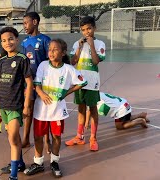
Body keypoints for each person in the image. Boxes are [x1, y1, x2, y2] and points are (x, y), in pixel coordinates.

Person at [24, 39, 87, 178]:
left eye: (55, 49)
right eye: (50, 49)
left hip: (57, 111)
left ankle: (54, 162)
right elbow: (37, 83)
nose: (51, 52)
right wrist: (41, 93)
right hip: (41, 109)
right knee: (38, 137)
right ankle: (38, 163)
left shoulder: (68, 69)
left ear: (63, 52)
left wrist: (66, 92)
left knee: (56, 137)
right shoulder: (43, 65)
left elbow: (82, 82)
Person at [0, 27, 33, 180]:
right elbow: (1, 83)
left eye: (11, 39)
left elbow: (29, 82)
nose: (8, 42)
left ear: (17, 40)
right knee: (14, 138)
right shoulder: (1, 61)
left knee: (12, 138)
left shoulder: (22, 59)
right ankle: (19, 163)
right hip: (3, 104)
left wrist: (26, 106)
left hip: (16, 105)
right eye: (4, 40)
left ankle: (13, 176)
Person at [65, 16, 106, 151]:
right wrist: (79, 48)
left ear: (94, 28)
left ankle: (93, 137)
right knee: (81, 109)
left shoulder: (100, 44)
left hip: (92, 82)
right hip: (80, 81)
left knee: (92, 109)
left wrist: (91, 45)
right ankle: (79, 136)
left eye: (89, 28)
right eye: (83, 30)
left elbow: (95, 61)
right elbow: (73, 61)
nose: (86, 32)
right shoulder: (78, 44)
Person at [21, 12, 52, 151]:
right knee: (28, 111)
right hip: (29, 82)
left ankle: (47, 140)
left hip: (44, 83)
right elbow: (22, 61)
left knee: (46, 110)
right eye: (23, 23)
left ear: (35, 22)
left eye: (26, 23)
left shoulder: (45, 40)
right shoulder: (24, 42)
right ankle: (26, 139)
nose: (24, 26)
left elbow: (51, 61)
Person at [84, 92, 149, 130]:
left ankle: (140, 121)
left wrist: (86, 123)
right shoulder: (98, 93)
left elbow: (88, 110)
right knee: (126, 119)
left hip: (121, 109)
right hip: (124, 104)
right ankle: (141, 115)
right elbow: (89, 110)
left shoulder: (91, 98)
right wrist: (87, 123)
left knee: (119, 126)